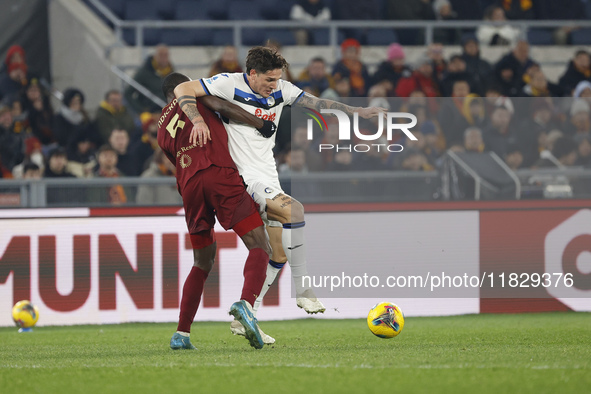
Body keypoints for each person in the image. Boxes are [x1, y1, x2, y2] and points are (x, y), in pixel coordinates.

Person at [173, 46, 384, 337]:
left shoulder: (281, 90)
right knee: (295, 210)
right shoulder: (227, 83)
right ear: (252, 74)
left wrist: (356, 111)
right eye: (269, 80)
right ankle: (304, 290)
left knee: (278, 253)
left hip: (268, 174)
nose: (274, 86)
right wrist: (196, 119)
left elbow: (318, 103)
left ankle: (246, 318)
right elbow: (183, 87)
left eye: (277, 79)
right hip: (244, 176)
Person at [159, 72, 275, 350]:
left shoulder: (161, 129)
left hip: (189, 188)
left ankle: (181, 334)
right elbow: (222, 107)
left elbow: (174, 159)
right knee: (261, 245)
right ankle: (246, 304)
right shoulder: (194, 97)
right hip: (217, 173)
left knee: (202, 261)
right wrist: (260, 123)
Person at [125, 44, 173, 113]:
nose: (163, 58)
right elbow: (128, 93)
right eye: (161, 55)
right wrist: (141, 111)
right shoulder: (144, 73)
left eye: (166, 55)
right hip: (150, 114)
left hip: (166, 112)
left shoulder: (171, 72)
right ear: (155, 56)